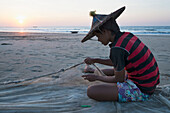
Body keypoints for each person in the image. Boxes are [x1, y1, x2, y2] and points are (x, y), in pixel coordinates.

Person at [81, 6, 160, 102]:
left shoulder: (117, 49)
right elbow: (118, 61)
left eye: (98, 36)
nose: (98, 40)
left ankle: (96, 75)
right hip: (149, 82)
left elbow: (119, 79)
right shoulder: (127, 36)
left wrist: (97, 78)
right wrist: (95, 60)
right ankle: (94, 71)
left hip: (142, 89)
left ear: (105, 32)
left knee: (92, 91)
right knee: (106, 71)